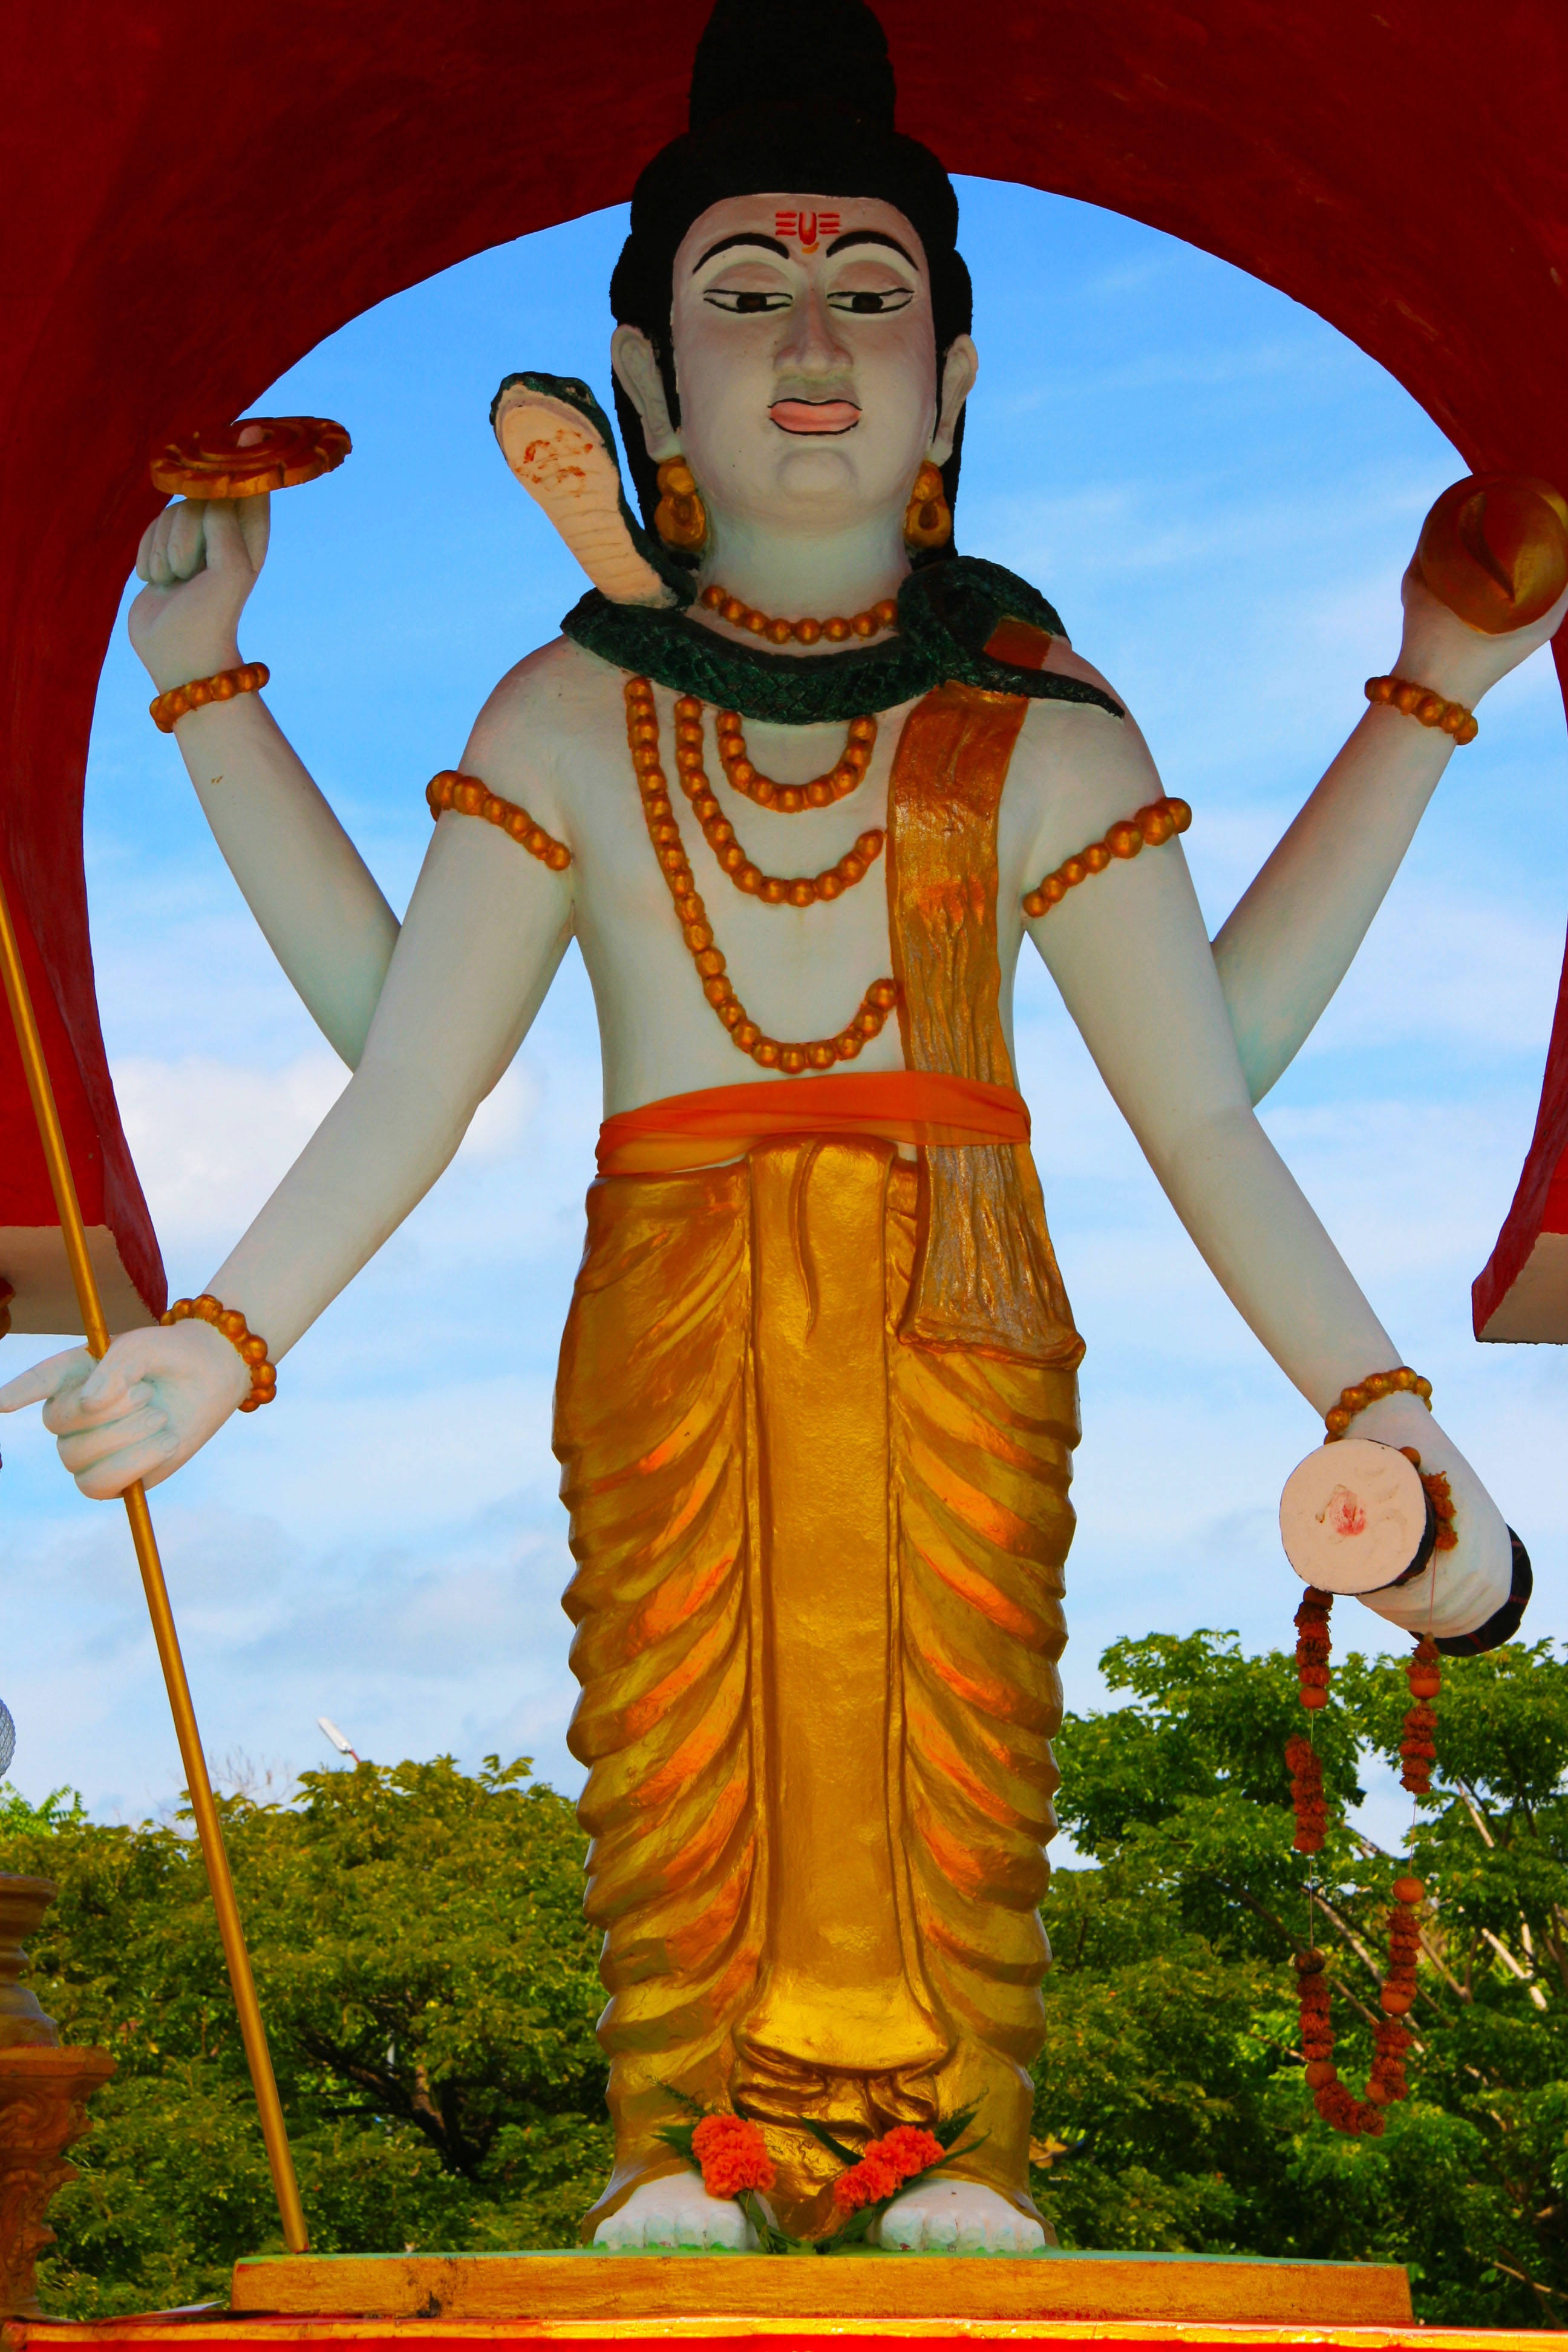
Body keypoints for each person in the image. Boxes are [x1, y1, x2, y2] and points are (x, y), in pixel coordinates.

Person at [2, 0, 1558, 2253]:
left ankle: (968, 2148)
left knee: (947, 1732)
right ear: (646, 392)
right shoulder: (569, 708)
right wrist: (230, 1337)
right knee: (678, 1725)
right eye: (746, 297)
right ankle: (675, 2140)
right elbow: (408, 1059)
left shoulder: (1030, 715)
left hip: (961, 1297)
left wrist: (1380, 1394)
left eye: (868, 298)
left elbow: (1208, 1098)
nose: (810, 346)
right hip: (671, 1297)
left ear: (954, 387)